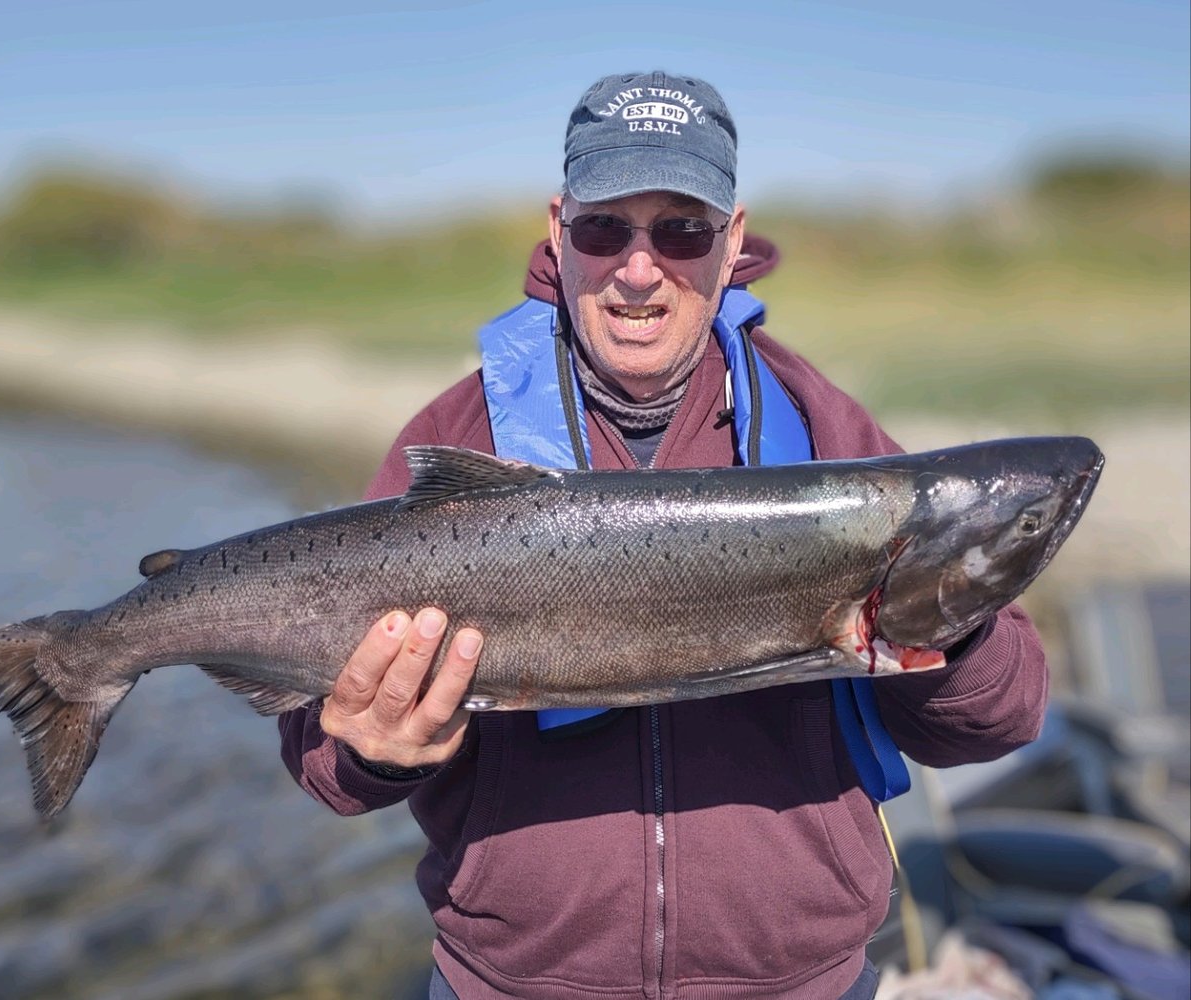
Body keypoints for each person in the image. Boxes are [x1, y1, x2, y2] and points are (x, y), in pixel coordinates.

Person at [279, 70, 1048, 1000]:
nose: (639, 269)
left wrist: (944, 615)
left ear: (730, 243)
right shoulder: (456, 432)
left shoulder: (821, 429)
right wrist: (370, 748)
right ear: (559, 231)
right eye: (607, 227)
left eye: (680, 230)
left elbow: (999, 719)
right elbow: (321, 764)